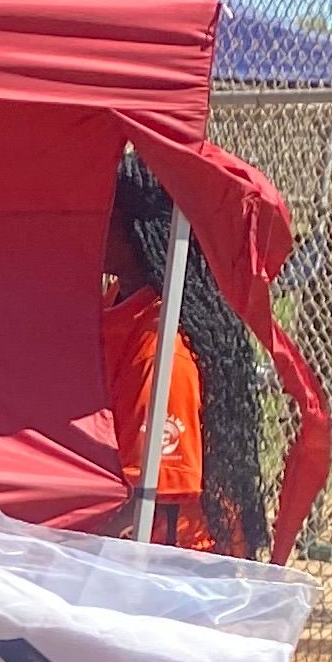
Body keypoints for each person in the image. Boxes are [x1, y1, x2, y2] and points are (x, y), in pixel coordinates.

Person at [100, 155, 268, 557]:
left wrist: (63, 551)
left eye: (105, 213)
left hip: (178, 569)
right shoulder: (119, 303)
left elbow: (148, 507)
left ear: (136, 232)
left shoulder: (162, 349)